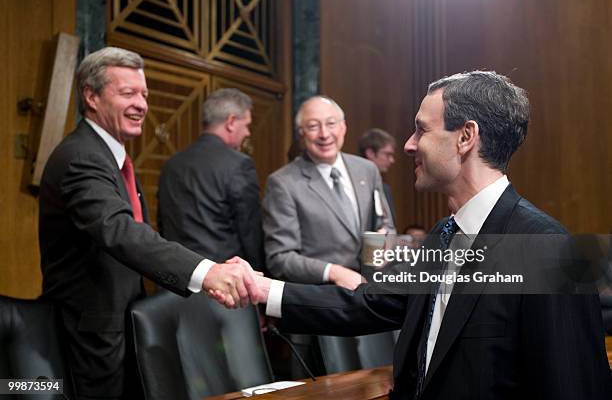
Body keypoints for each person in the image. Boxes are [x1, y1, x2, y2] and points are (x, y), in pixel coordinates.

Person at [225, 71, 611, 399]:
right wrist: (265, 292)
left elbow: (574, 386)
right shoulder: (442, 237)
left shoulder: (545, 249)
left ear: (465, 137)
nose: (409, 144)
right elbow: (368, 303)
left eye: (421, 130)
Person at [38, 47, 260, 399]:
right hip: (90, 336)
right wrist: (208, 272)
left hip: (125, 325)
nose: (142, 104)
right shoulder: (81, 157)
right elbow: (121, 232)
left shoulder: (113, 156)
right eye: (127, 93)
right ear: (91, 96)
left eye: (144, 94)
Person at [262, 95, 395, 290]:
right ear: (301, 134)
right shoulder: (283, 183)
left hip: (368, 294)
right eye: (314, 126)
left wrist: (384, 244)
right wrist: (334, 272)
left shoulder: (367, 170)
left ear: (343, 127)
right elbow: (280, 259)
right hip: (320, 300)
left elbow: (386, 225)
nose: (324, 134)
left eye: (331, 124)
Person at [157, 88, 264, 272]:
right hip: (222, 285)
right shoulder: (239, 164)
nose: (247, 133)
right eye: (246, 125)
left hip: (176, 279)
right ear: (231, 122)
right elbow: (250, 233)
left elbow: (163, 223)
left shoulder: (171, 165)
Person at [358, 128, 397, 222]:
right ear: (370, 153)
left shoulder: (385, 188)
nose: (392, 160)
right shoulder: (350, 185)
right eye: (387, 154)